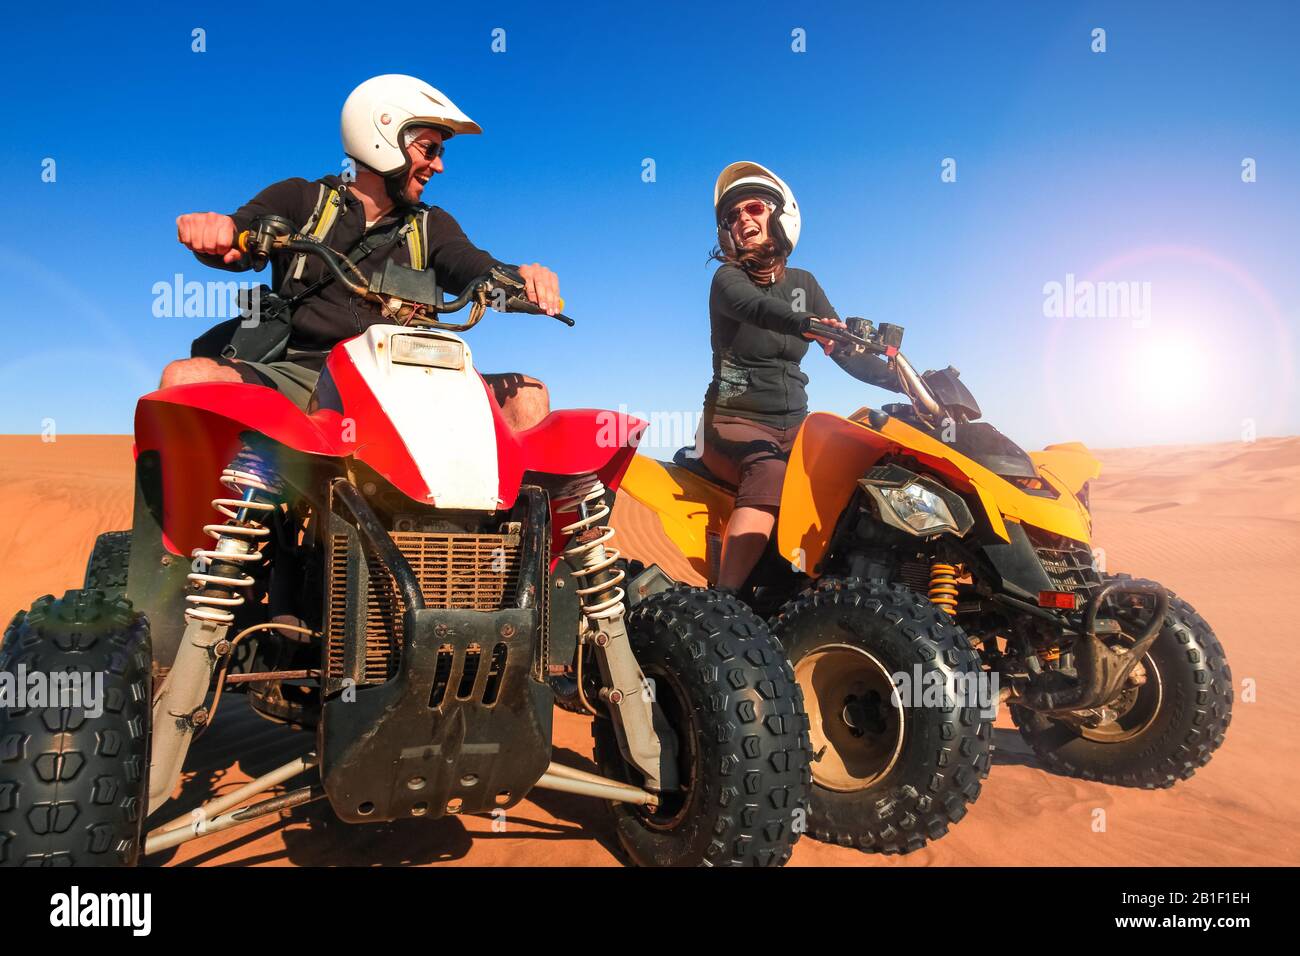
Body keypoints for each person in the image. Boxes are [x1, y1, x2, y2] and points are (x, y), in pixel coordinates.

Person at [160, 74, 557, 430]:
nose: (438, 167)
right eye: (429, 149)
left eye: (440, 153)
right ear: (383, 138)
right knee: (186, 380)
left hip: (408, 380)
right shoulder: (302, 200)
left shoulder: (430, 225)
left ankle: (523, 513)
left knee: (530, 396)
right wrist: (218, 231)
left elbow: (469, 263)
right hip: (308, 375)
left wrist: (518, 277)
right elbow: (244, 230)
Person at [698, 161, 895, 592]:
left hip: (795, 426)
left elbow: (846, 351)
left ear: (778, 215)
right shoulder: (726, 280)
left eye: (752, 208)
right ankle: (724, 598)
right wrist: (806, 322)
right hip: (734, 423)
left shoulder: (805, 281)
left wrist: (903, 381)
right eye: (732, 217)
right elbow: (758, 308)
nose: (742, 220)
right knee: (768, 472)